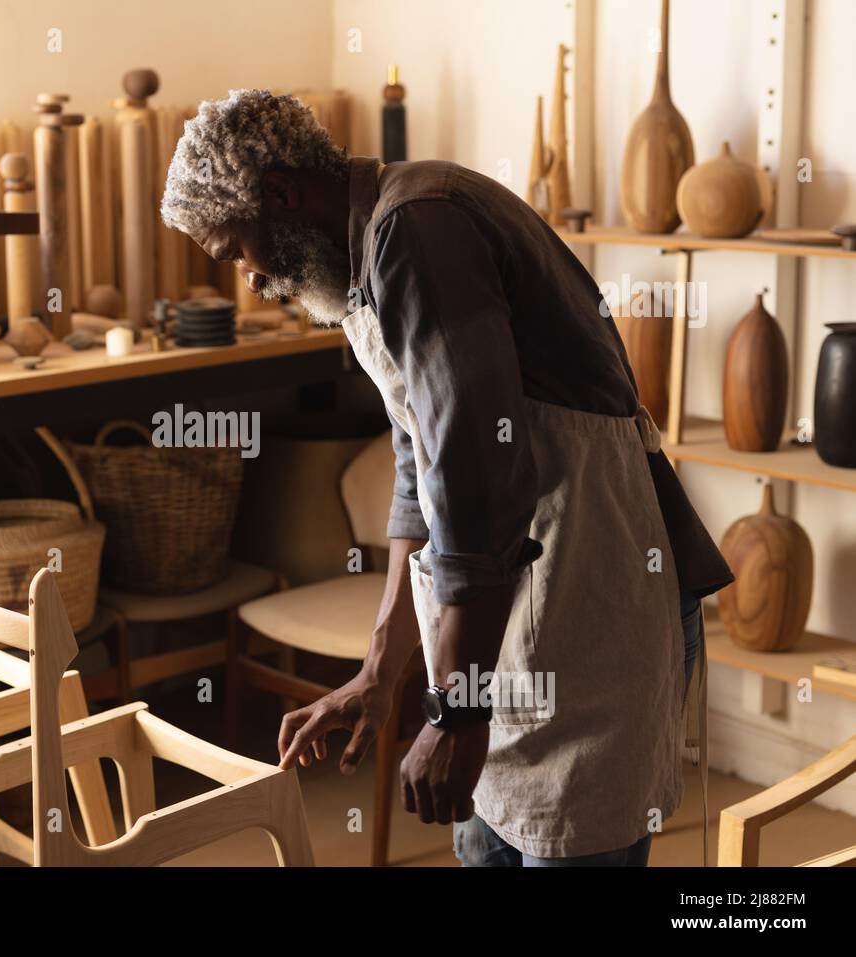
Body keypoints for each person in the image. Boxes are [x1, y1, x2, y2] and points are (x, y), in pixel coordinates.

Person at [160, 89, 732, 866]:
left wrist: (456, 714)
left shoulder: (415, 229)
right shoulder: (375, 252)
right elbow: (419, 465)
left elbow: (475, 480)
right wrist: (379, 671)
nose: (251, 283)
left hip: (592, 602)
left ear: (283, 196)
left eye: (237, 252)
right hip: (501, 630)